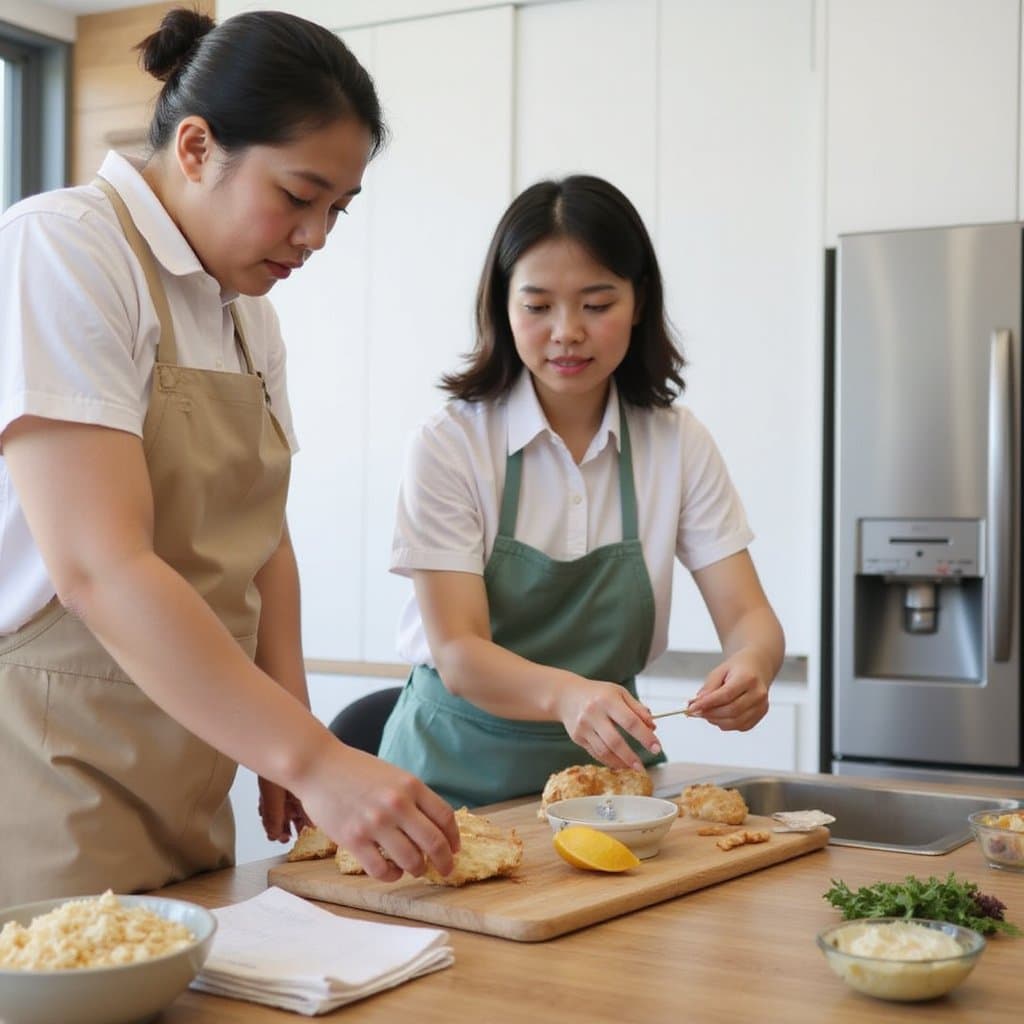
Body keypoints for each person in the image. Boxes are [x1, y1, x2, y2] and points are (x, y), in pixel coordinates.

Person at [0, 7, 458, 905]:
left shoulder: (247, 313)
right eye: (298, 196)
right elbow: (99, 564)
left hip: (190, 757)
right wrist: (314, 755)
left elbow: (263, 540)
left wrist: (284, 731)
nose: (316, 236)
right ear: (199, 147)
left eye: (338, 209)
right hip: (49, 756)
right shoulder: (65, 247)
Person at [378, 175, 785, 808]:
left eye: (596, 305)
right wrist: (569, 695)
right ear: (501, 306)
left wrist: (754, 664)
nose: (567, 331)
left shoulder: (676, 443)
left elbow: (747, 616)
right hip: (445, 787)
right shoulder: (450, 443)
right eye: (538, 306)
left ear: (639, 302)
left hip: (610, 786)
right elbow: (458, 652)